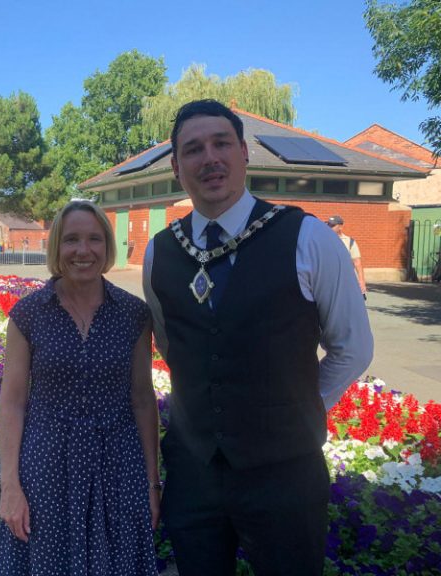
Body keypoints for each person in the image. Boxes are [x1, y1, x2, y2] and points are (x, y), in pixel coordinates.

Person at [142, 99, 373, 576]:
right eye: (193, 149)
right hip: (194, 471)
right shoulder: (160, 253)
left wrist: (298, 407)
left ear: (244, 153)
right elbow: (171, 342)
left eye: (221, 143)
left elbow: (352, 347)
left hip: (285, 472)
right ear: (176, 166)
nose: (210, 158)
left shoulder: (307, 237)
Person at [0, 200, 161, 575]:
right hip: (46, 469)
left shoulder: (133, 314)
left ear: (107, 247)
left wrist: (152, 484)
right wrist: (9, 486)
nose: (83, 251)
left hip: (119, 469)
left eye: (94, 239)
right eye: (71, 240)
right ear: (56, 247)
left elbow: (142, 399)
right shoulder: (29, 313)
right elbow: (13, 402)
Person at [327, 215, 367, 297]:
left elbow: (357, 263)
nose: (330, 227)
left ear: (341, 226)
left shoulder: (350, 242)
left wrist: (361, 281)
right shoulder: (323, 240)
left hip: (345, 281)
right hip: (328, 281)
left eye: (333, 226)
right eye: (329, 225)